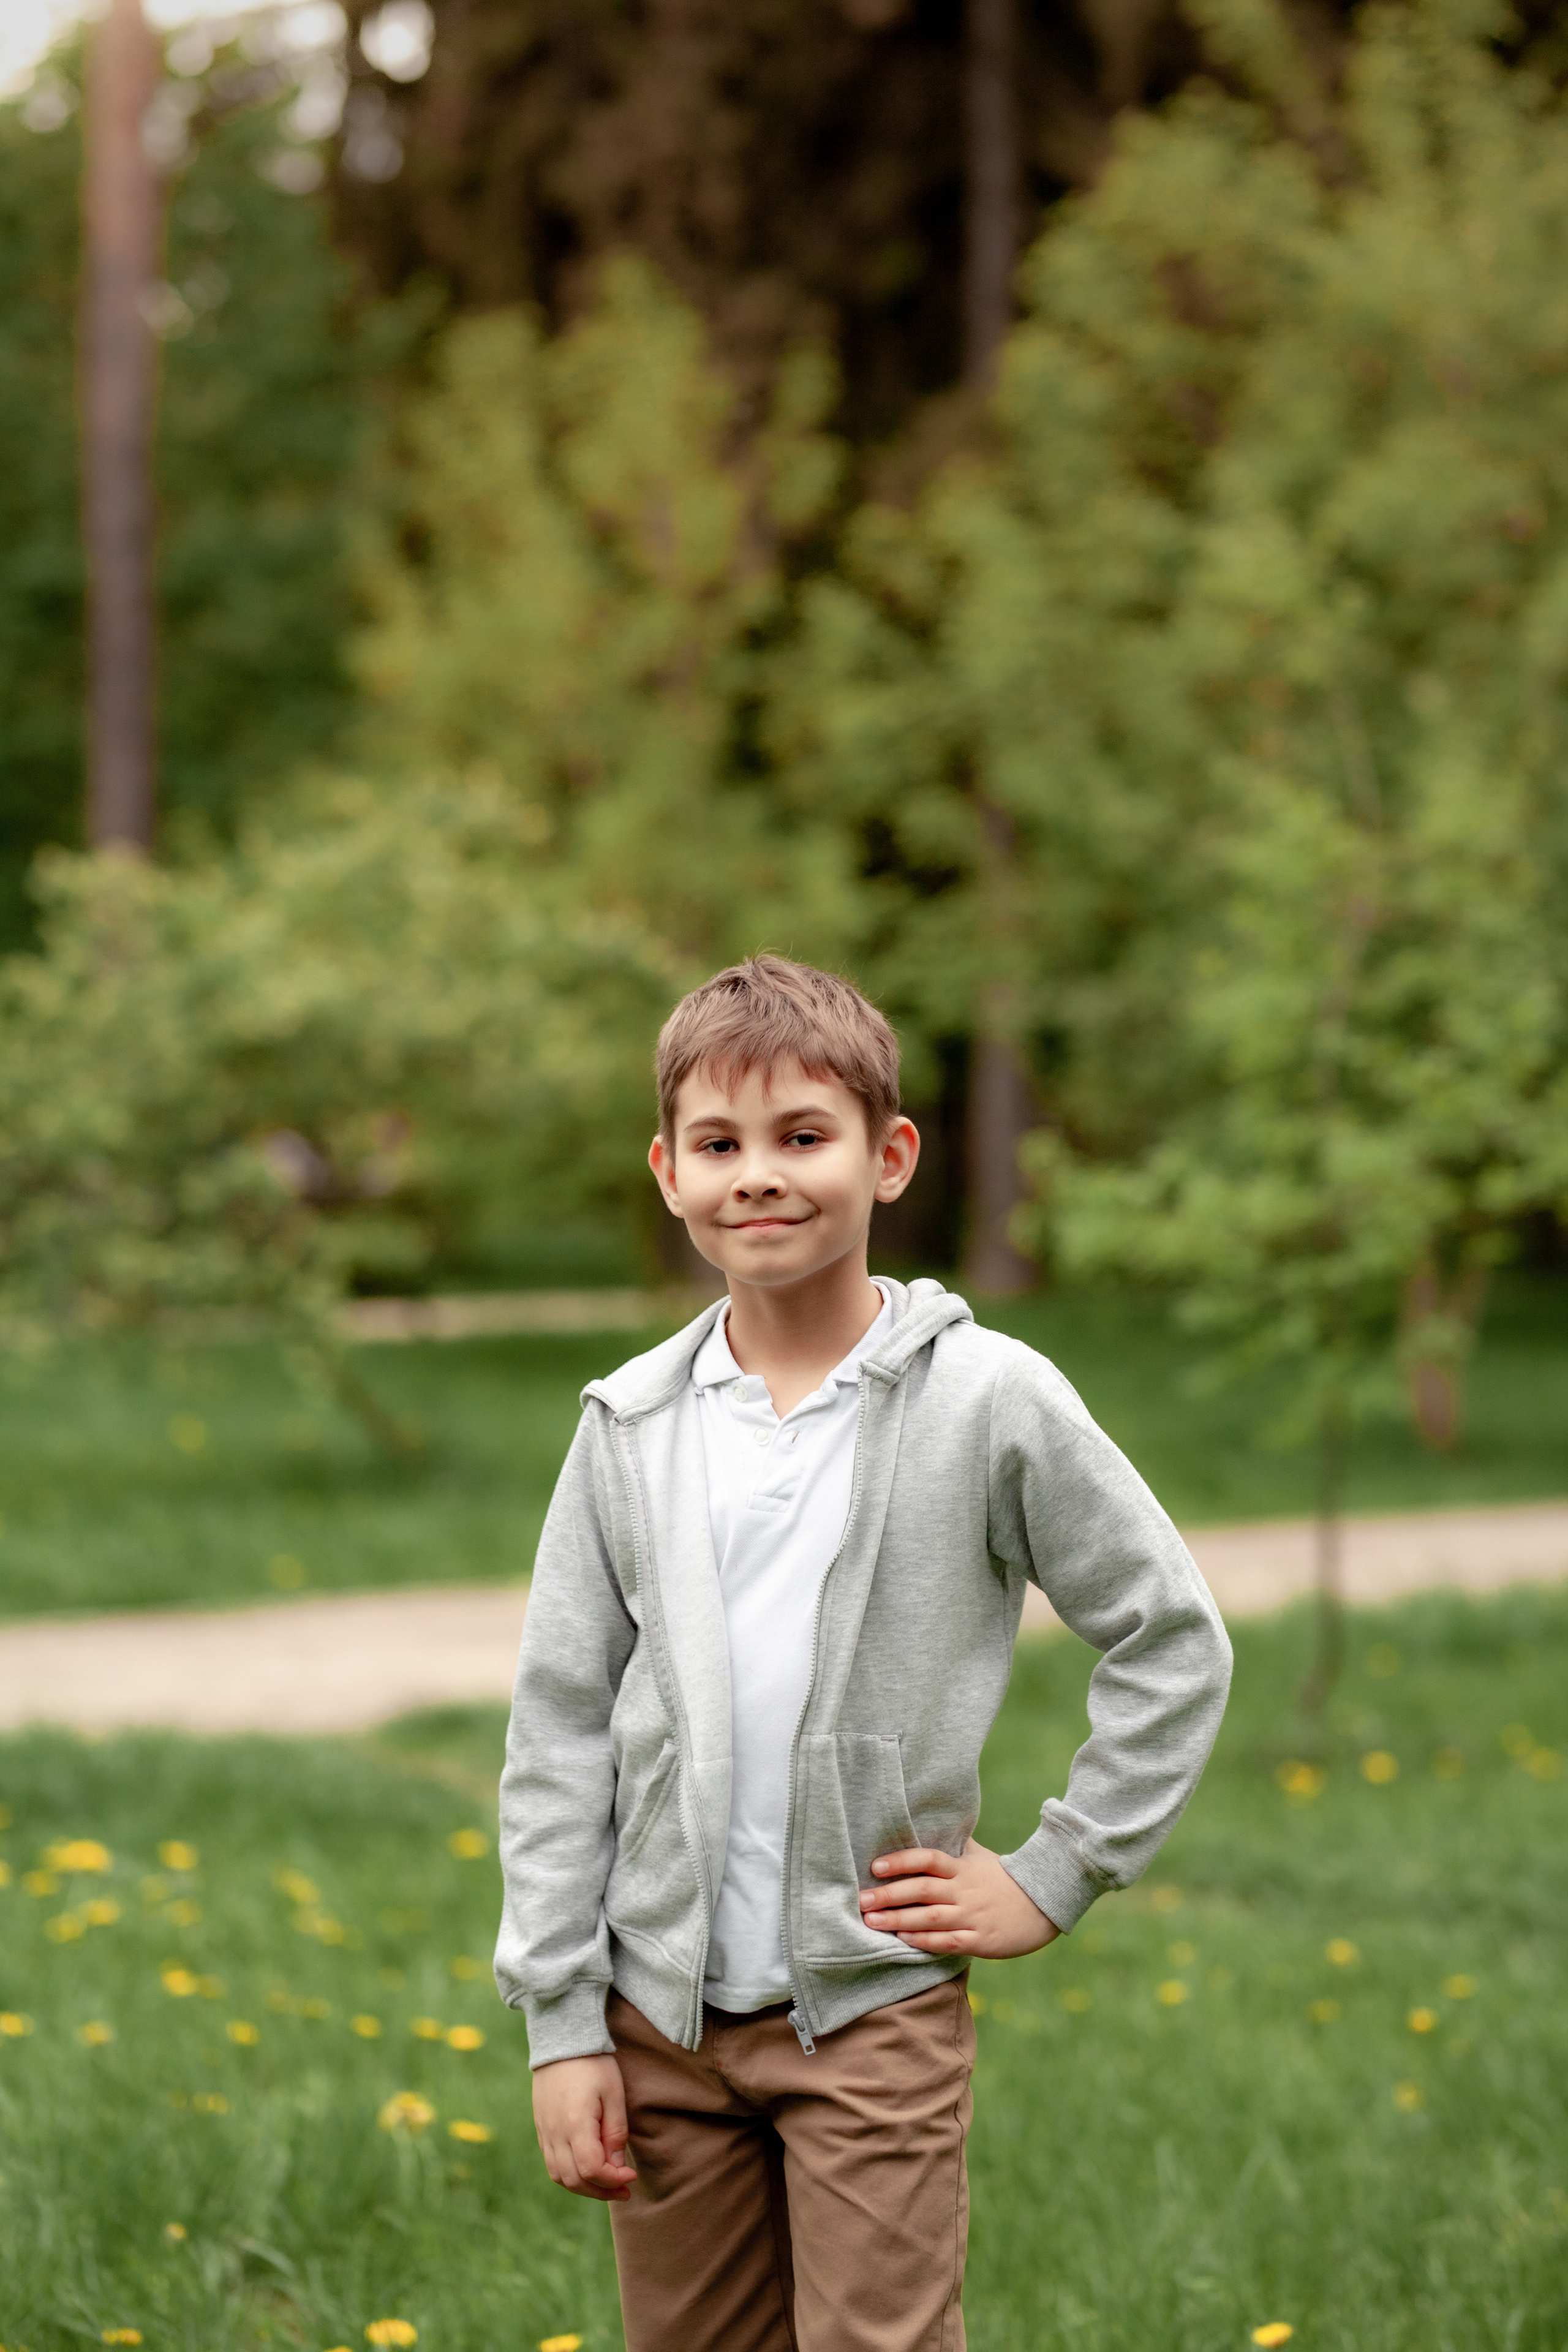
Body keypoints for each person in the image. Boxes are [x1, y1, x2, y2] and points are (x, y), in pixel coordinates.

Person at [495, 953, 1232, 2352]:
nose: (758, 1177)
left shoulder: (988, 1400)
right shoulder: (629, 1425)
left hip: (871, 2004)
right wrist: (563, 2019)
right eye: (719, 1145)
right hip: (656, 2018)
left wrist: (1058, 1869)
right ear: (668, 1173)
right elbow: (559, 1727)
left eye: (801, 1136)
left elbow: (1170, 1636)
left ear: (888, 1157)